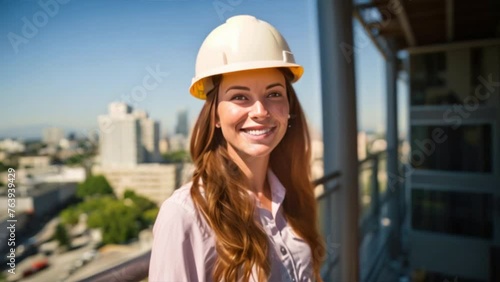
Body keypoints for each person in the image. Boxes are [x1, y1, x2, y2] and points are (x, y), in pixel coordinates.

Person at [149, 15, 325, 282]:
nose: (261, 111)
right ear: (215, 116)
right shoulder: (185, 215)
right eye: (240, 97)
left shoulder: (292, 193)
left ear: (289, 108)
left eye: (274, 94)